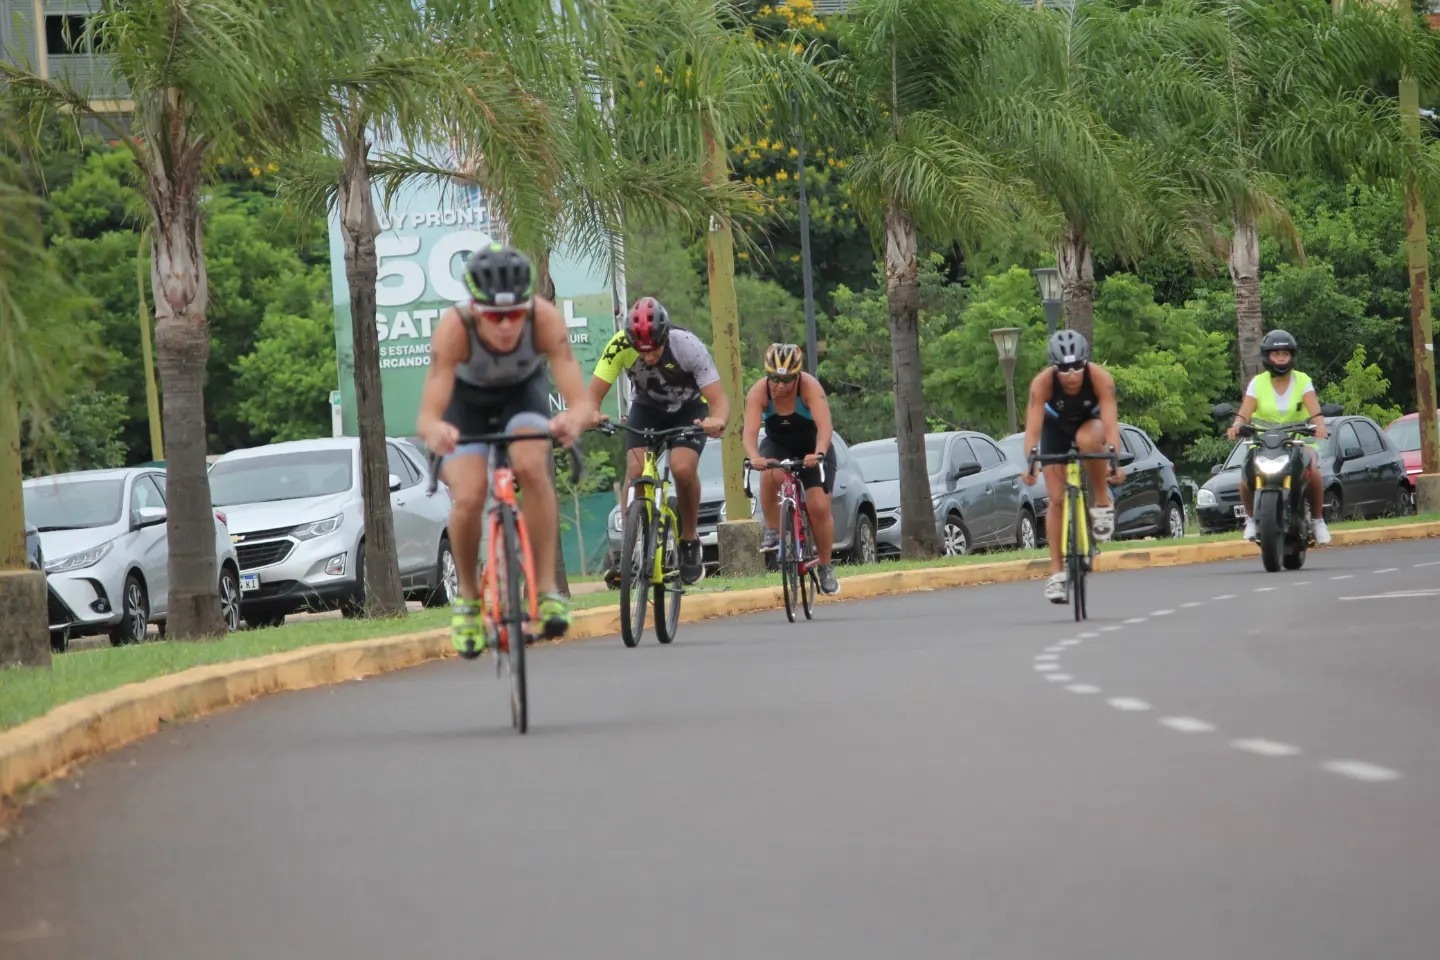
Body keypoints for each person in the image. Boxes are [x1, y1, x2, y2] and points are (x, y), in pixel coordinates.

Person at [416, 243, 593, 659]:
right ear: (476, 309)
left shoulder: (544, 319)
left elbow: (580, 401)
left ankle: (546, 590)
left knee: (532, 467)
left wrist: (573, 419)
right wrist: (437, 431)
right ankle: (469, 600)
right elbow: (428, 416)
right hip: (466, 405)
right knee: (469, 496)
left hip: (521, 397)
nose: (508, 325)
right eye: (495, 316)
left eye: (516, 313)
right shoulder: (455, 327)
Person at [588, 296, 729, 585]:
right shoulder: (619, 345)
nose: (649, 356)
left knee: (682, 468)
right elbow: (593, 395)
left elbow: (719, 400)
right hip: (646, 409)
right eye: (642, 351)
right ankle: (630, 550)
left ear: (665, 336)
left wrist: (717, 420)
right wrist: (592, 414)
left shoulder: (687, 345)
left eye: (655, 349)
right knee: (636, 469)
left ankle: (689, 540)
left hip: (687, 411)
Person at [1021, 329, 1126, 603]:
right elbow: (1032, 430)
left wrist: (1114, 459)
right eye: (1064, 369)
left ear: (1086, 362)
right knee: (1055, 499)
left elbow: (1111, 425)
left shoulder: (1101, 379)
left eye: (1078, 366)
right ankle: (1057, 573)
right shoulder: (1042, 383)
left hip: (1090, 424)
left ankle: (1101, 502)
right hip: (1055, 428)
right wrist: (1031, 462)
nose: (1071, 374)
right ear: (1054, 368)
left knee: (1088, 440)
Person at [741, 343, 841, 596]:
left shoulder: (810, 388)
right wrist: (754, 457)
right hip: (779, 444)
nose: (780, 385)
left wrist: (819, 453)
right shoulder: (758, 392)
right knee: (769, 472)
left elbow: (825, 426)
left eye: (787, 380)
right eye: (774, 378)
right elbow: (749, 433)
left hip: (812, 447)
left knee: (819, 507)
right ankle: (774, 530)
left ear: (797, 376)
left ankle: (826, 567)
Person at [1226, 328, 1331, 545]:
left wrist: (1320, 426)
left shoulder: (1303, 380)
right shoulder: (1257, 383)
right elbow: (1245, 412)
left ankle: (1318, 520)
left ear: (1292, 356)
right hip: (1264, 442)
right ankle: (1251, 519)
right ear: (1267, 356)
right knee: (1245, 476)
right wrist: (1236, 426)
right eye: (1276, 354)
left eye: (1285, 354)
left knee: (1312, 469)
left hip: (1298, 439)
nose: (1281, 358)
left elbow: (1315, 411)